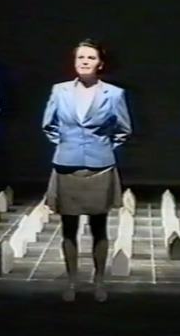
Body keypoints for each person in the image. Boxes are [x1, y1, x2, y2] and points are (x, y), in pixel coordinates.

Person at [42, 38, 132, 303]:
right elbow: (49, 125)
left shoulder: (114, 94)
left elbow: (123, 130)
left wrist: (100, 148)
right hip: (67, 166)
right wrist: (68, 145)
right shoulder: (59, 91)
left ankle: (99, 281)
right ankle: (72, 281)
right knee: (68, 228)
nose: (84, 62)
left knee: (99, 227)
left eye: (91, 57)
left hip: (99, 166)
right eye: (80, 57)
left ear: (100, 64)